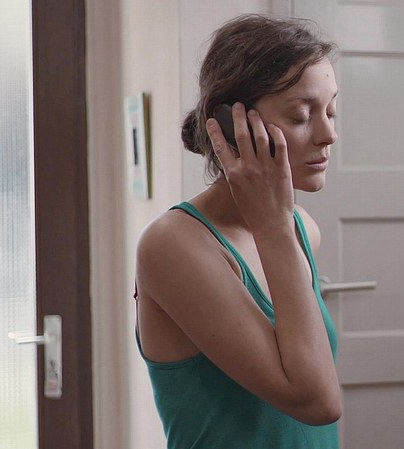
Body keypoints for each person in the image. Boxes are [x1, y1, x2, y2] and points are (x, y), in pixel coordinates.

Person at [134, 14, 341, 449]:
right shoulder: (173, 245)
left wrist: (277, 226)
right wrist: (273, 225)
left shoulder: (304, 230)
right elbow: (317, 400)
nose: (328, 135)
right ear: (233, 123)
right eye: (302, 115)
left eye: (331, 110)